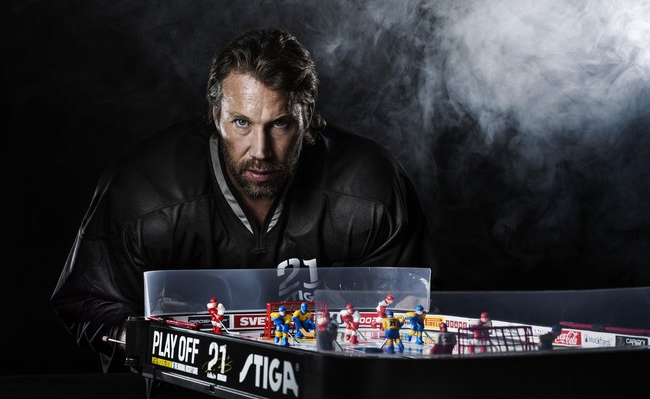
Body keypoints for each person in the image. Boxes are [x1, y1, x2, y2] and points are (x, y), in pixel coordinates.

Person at [50, 27, 439, 372]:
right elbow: (86, 303)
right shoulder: (144, 190)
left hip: (332, 398)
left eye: (280, 124)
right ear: (216, 115)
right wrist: (167, 347)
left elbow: (411, 309)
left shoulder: (370, 187)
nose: (261, 150)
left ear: (308, 116)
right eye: (241, 123)